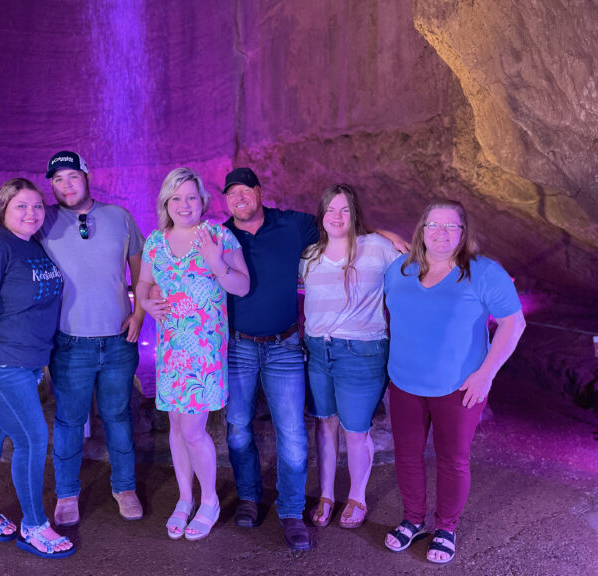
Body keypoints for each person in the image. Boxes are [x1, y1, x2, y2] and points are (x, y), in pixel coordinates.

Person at [221, 168, 408, 551]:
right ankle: (250, 498)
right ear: (226, 200)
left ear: (259, 192)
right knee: (239, 426)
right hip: (239, 345)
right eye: (232, 193)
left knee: (292, 432)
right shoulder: (220, 235)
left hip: (286, 345)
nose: (240, 198)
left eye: (246, 190)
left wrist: (387, 235)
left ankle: (291, 511)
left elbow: (347, 229)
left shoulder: (294, 225)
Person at [0, 151, 146, 526]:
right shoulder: (41, 218)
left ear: (86, 176)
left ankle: (125, 487)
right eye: (58, 179)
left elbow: (140, 269)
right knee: (68, 420)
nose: (66, 185)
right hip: (69, 343)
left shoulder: (119, 217)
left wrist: (139, 314)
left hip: (117, 341)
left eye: (72, 176)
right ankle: (67, 493)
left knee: (118, 416)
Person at [383, 200, 525, 564]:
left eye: (451, 226)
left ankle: (445, 527)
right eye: (433, 225)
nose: (441, 232)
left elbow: (513, 323)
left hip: (460, 389)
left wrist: (485, 374)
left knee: (452, 460)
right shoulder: (398, 270)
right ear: (421, 230)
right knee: (408, 456)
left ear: (464, 233)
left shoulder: (484, 272)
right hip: (404, 383)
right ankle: (413, 519)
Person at [0, 178, 74, 558]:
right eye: (21, 206)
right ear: (3, 208)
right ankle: (35, 526)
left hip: (27, 362)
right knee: (33, 438)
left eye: (38, 205)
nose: (32, 213)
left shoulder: (32, 243)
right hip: (1, 364)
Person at [135, 167, 249, 541]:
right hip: (171, 351)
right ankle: (185, 498)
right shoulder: (155, 242)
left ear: (202, 200)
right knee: (175, 427)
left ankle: (210, 501)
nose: (184, 204)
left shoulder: (219, 235)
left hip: (204, 350)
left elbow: (242, 287)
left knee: (192, 429)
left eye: (191, 197)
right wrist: (148, 305)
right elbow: (144, 283)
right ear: (166, 202)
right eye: (176, 197)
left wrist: (216, 261)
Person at [301, 184, 400, 530]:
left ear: (355, 214)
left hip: (361, 352)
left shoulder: (377, 247)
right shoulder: (310, 255)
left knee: (355, 430)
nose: (337, 216)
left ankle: (357, 494)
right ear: (321, 216)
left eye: (345, 209)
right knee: (324, 423)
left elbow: (415, 275)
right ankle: (327, 494)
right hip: (317, 350)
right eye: (331, 210)